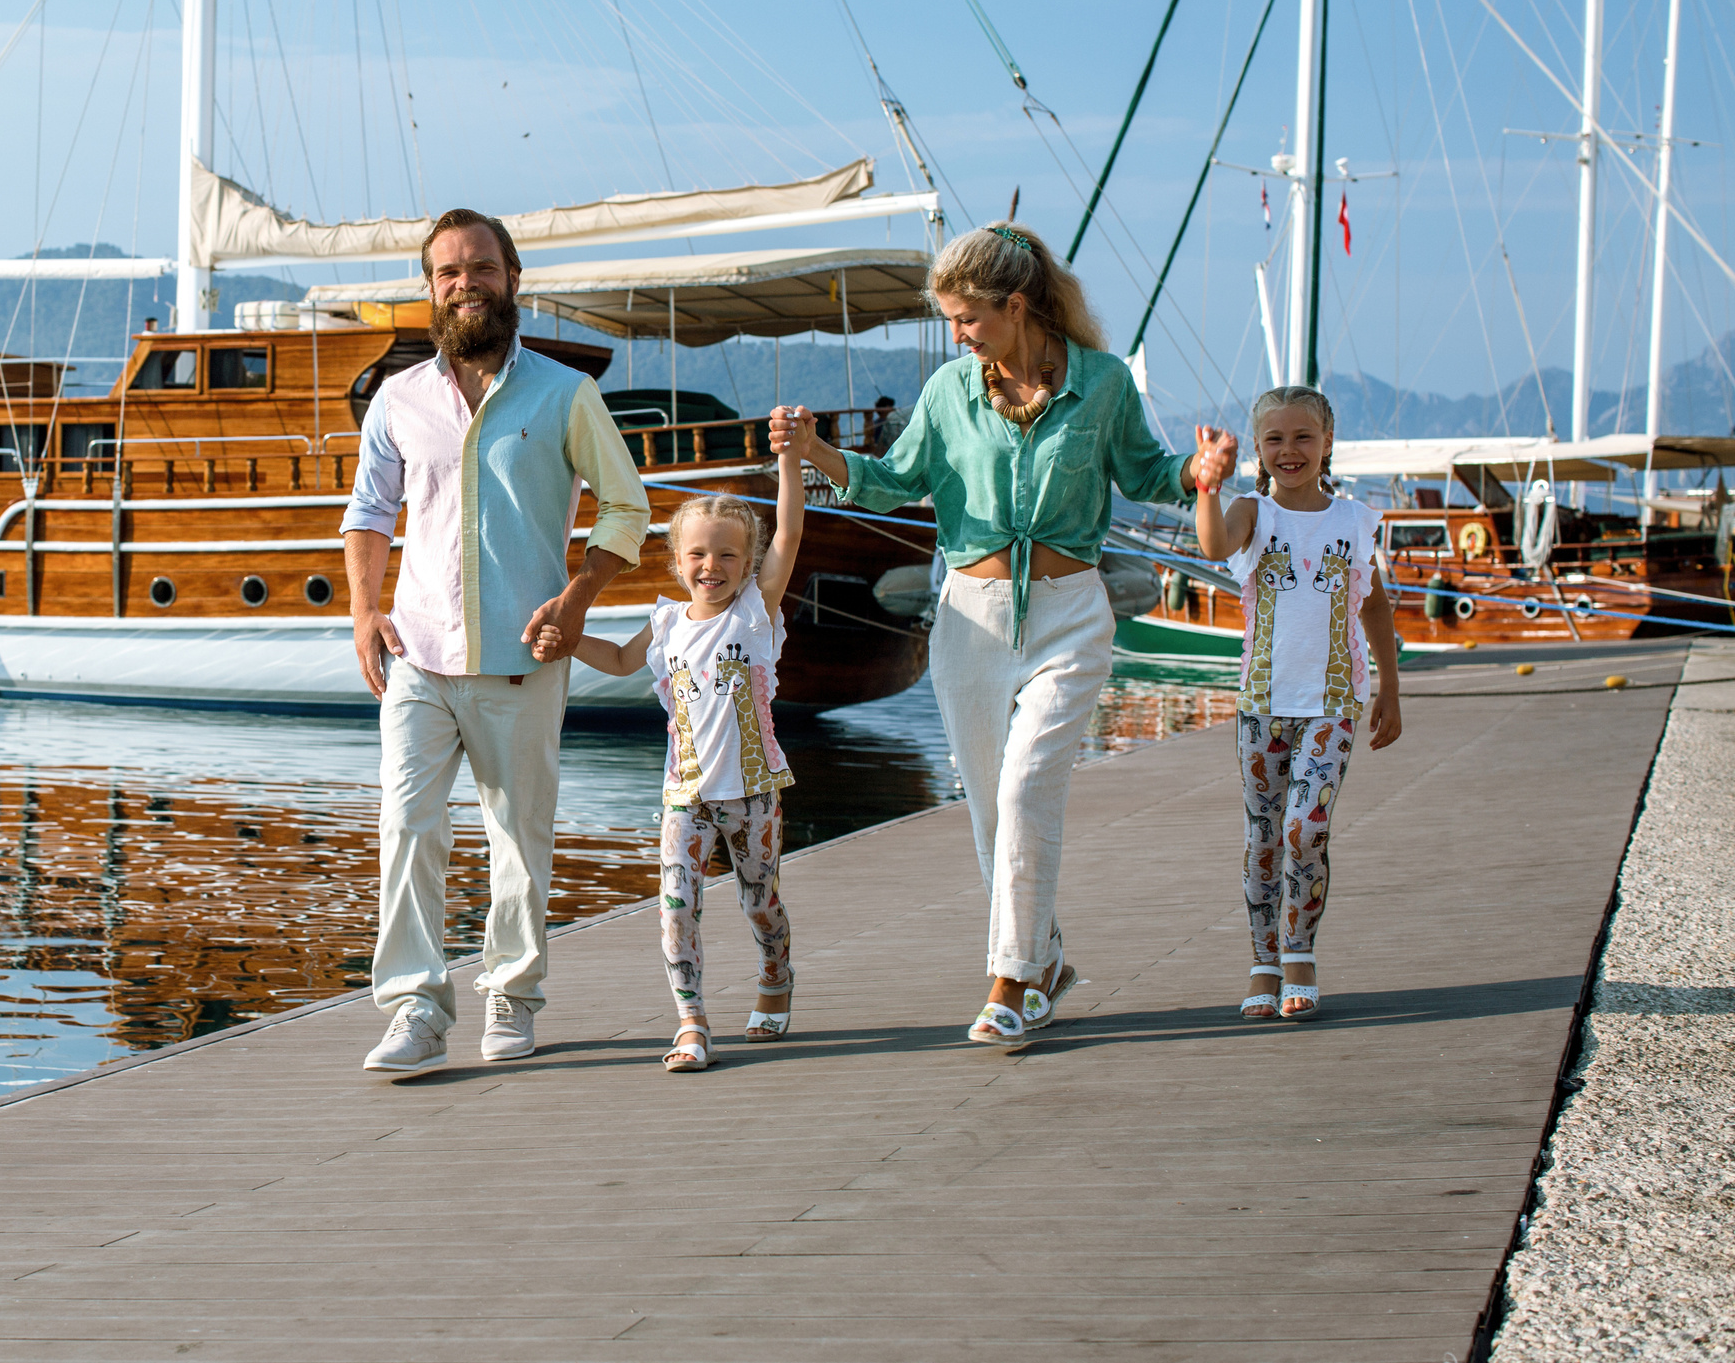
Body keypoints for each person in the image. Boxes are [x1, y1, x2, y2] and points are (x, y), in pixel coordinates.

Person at [773, 221, 1239, 1045]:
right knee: (991, 811)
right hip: (968, 620)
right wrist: (817, 451)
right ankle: (1046, 956)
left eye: (966, 317)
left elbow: (1146, 473)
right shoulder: (951, 390)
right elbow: (891, 482)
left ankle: (1013, 980)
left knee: (1026, 791)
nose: (956, 334)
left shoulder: (1101, 384)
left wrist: (1198, 474)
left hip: (1070, 614)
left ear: (1016, 304)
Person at [341, 208, 650, 1077]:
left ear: (513, 277)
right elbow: (368, 513)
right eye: (448, 272)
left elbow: (626, 506)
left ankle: (512, 995)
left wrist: (581, 594)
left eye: (481, 267)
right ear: (429, 289)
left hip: (525, 656)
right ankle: (414, 1007)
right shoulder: (399, 400)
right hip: (419, 657)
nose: (465, 283)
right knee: (407, 826)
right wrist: (365, 613)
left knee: (519, 835)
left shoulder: (563, 394)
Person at [543, 433, 805, 1071]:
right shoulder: (664, 625)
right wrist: (568, 638)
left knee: (758, 899)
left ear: (748, 564)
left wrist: (790, 461)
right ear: (676, 560)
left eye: (727, 555)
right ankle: (691, 1022)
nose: (710, 566)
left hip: (753, 792)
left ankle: (776, 974)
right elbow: (617, 660)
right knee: (677, 904)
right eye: (697, 554)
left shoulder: (753, 612)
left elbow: (790, 535)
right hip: (684, 795)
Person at [1193, 385, 1402, 1021]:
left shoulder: (1355, 521)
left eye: (1303, 437)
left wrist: (1390, 688)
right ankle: (1263, 960)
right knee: (1264, 837)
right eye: (1276, 439)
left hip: (1335, 699)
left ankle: (1299, 951)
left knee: (1304, 828)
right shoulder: (1253, 514)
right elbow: (1214, 546)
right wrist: (1205, 486)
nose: (1290, 450)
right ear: (1257, 448)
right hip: (1263, 701)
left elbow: (1373, 605)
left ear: (1327, 443)